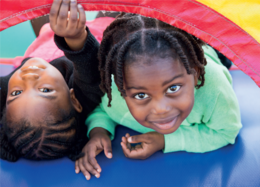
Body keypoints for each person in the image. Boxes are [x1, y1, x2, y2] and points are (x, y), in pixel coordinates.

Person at [74, 13, 242, 180]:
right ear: (121, 89)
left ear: (196, 74)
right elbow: (102, 109)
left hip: (210, 51)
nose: (161, 109)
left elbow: (227, 132)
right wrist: (99, 132)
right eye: (141, 95)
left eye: (173, 88)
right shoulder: (118, 94)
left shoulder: (215, 88)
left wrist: (164, 140)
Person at [0, 0, 103, 161]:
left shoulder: (6, 91)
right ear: (74, 100)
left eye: (17, 92)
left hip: (47, 35)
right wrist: (76, 37)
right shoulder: (83, 95)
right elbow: (91, 68)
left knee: (40, 7)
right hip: (100, 28)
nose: (28, 78)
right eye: (45, 90)